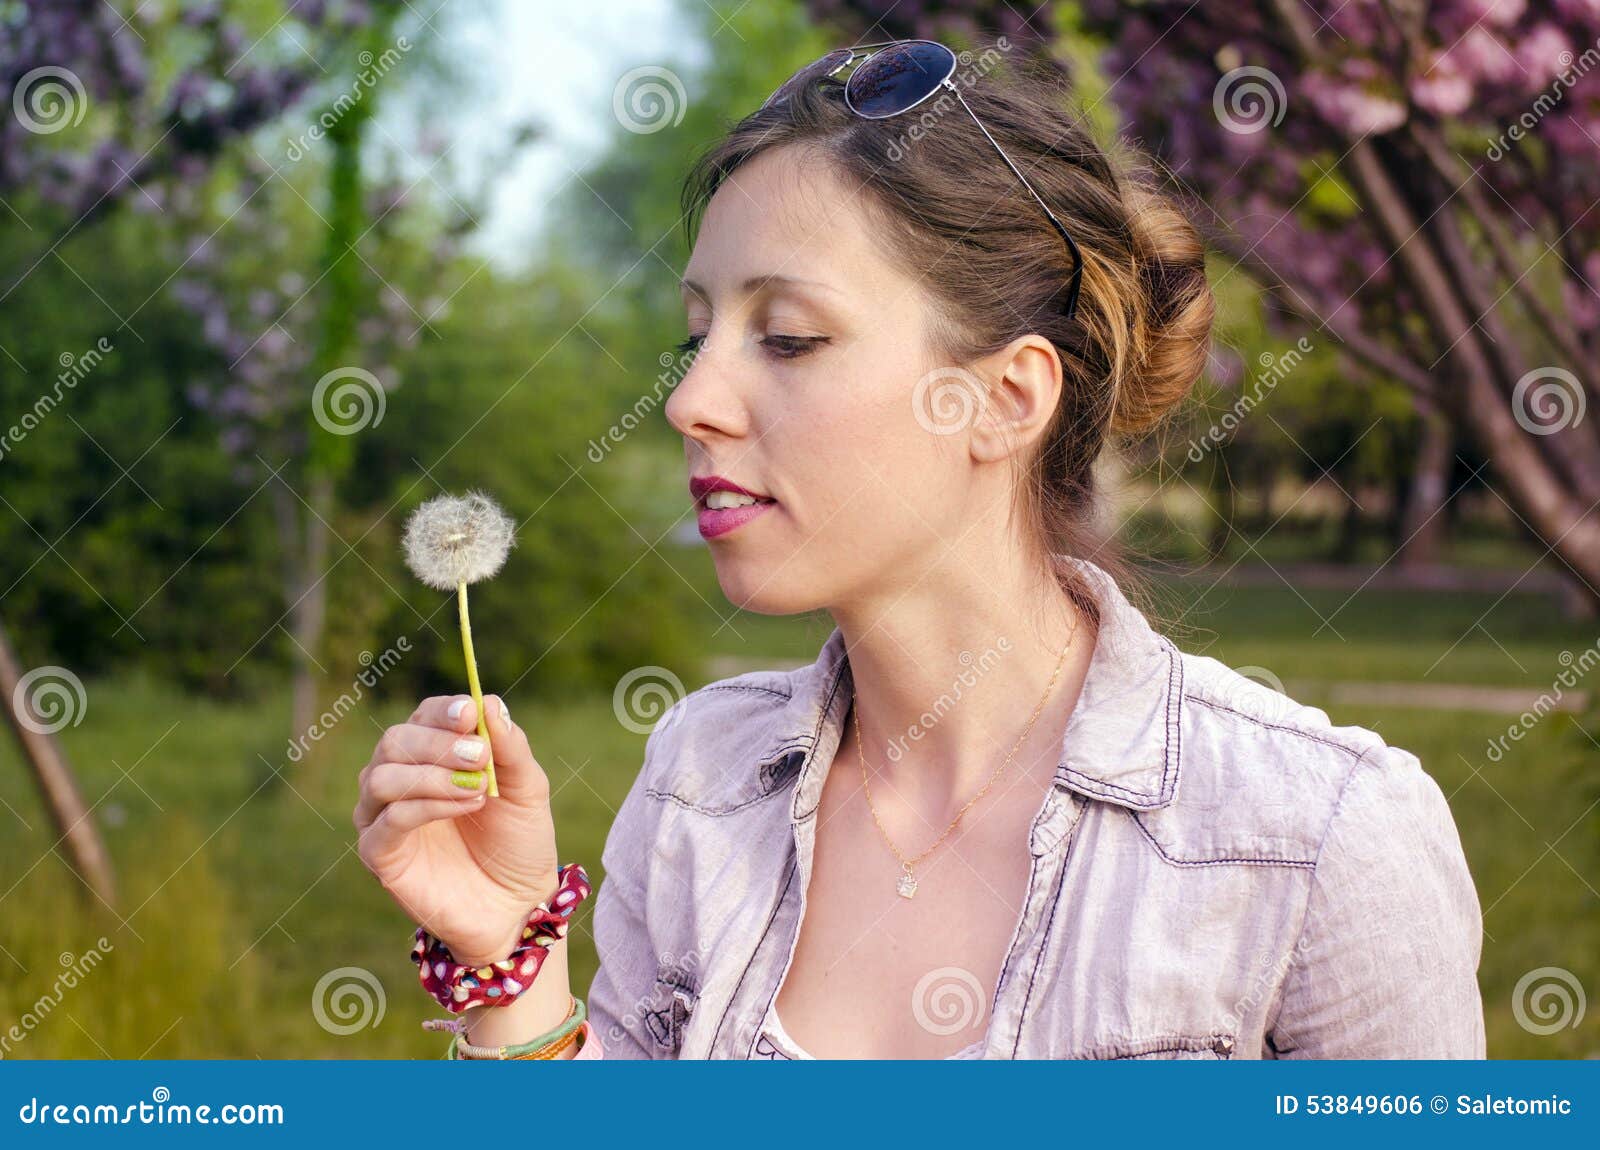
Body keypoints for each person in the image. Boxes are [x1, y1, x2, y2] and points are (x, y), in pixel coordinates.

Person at [354, 41, 1485, 1060]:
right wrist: (509, 955)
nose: (692, 398)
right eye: (698, 336)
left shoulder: (1322, 839)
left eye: (788, 338)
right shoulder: (700, 776)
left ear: (1003, 399)